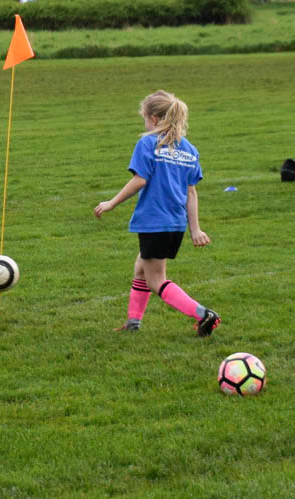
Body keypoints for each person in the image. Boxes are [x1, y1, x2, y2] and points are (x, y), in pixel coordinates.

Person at [93, 90, 220, 336]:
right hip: (175, 224)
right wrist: (195, 229)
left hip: (154, 222)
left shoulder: (148, 143)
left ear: (153, 118)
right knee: (141, 267)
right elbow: (191, 192)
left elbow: (140, 180)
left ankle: (204, 314)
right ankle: (133, 323)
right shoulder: (189, 150)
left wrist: (111, 203)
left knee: (156, 280)